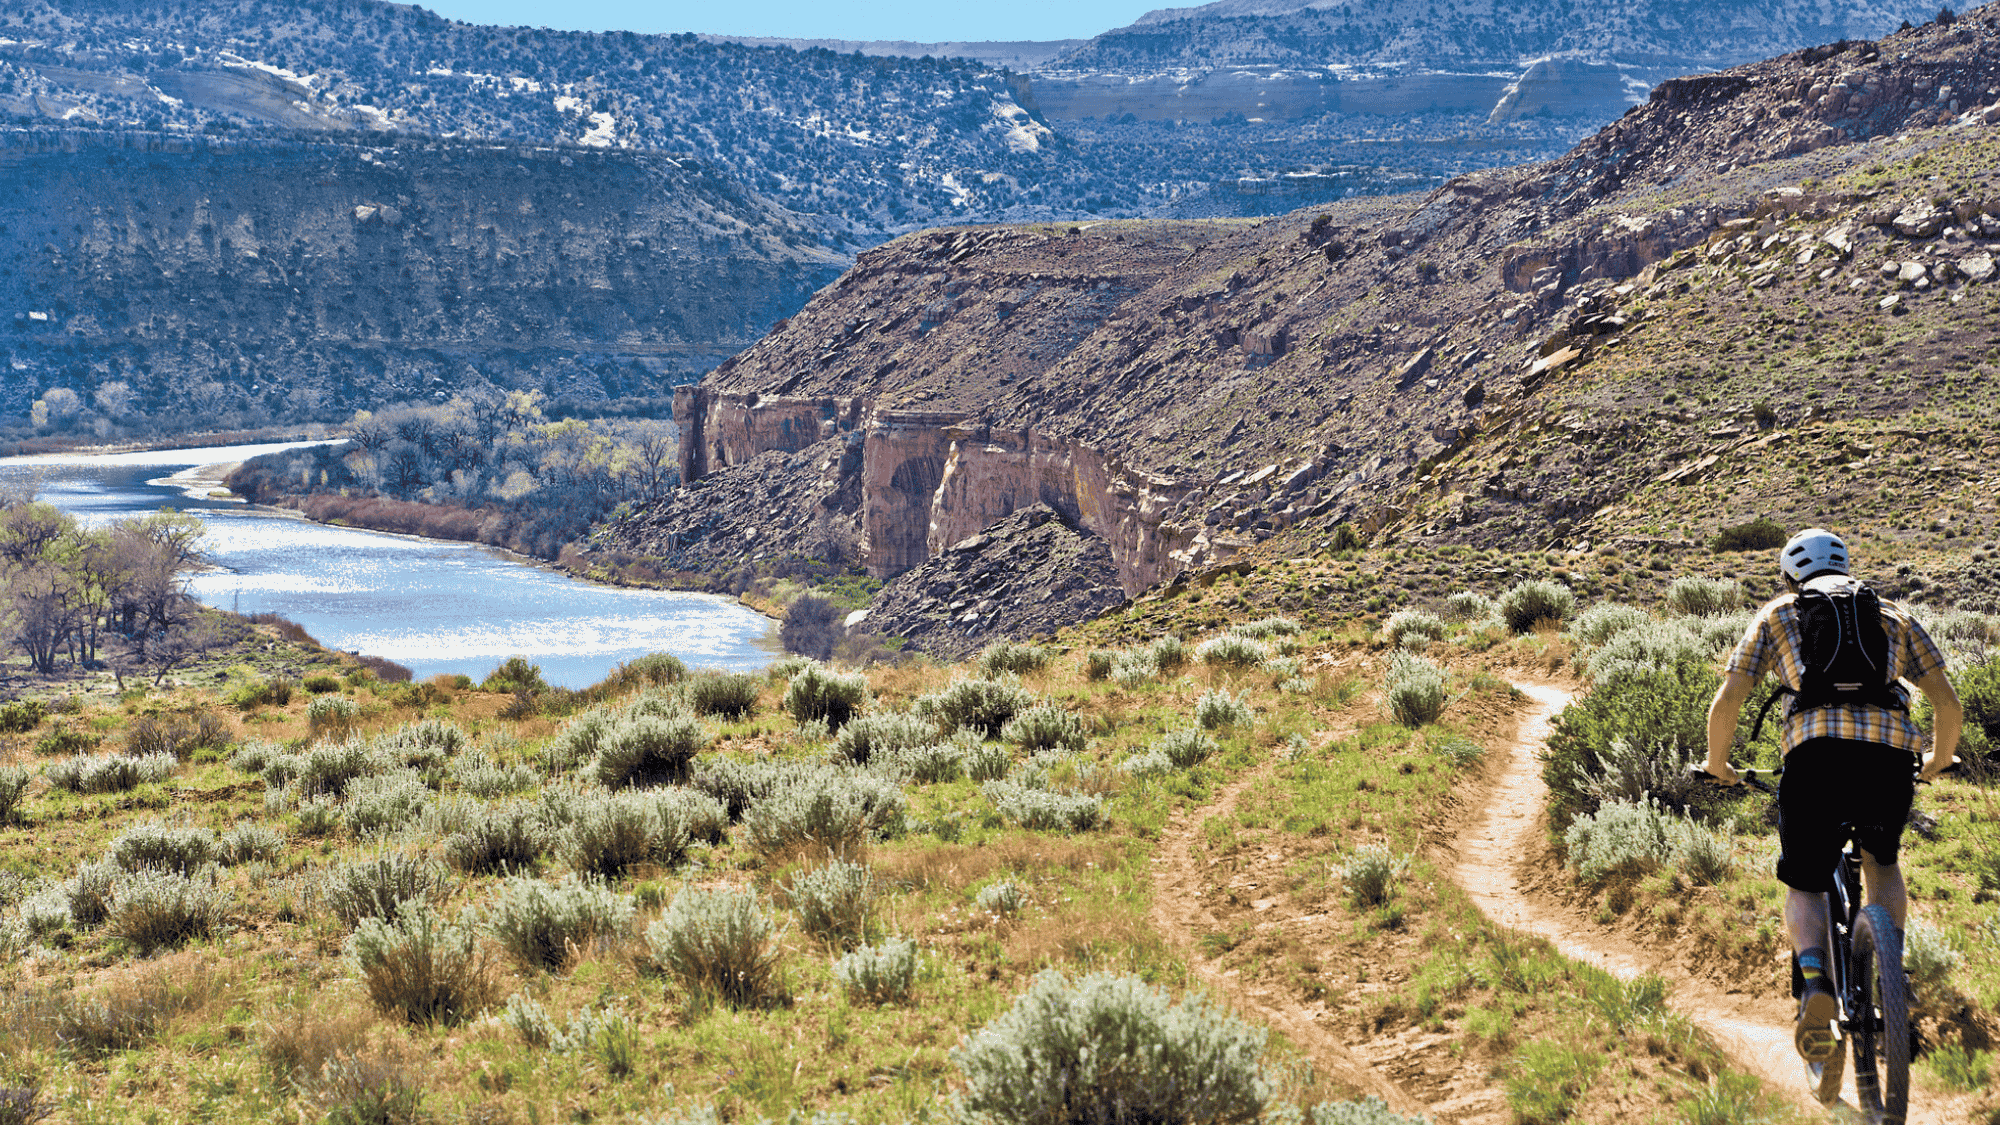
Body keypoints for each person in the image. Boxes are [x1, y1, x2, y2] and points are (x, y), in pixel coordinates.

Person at [1704, 527, 1960, 1062]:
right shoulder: (1892, 615)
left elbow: (1730, 698)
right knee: (1881, 861)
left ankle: (1817, 983)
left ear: (1790, 574)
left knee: (1806, 878)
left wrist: (1718, 764)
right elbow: (1946, 699)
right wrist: (1938, 758)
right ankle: (1891, 975)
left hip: (1813, 754)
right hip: (1887, 757)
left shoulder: (1778, 613)